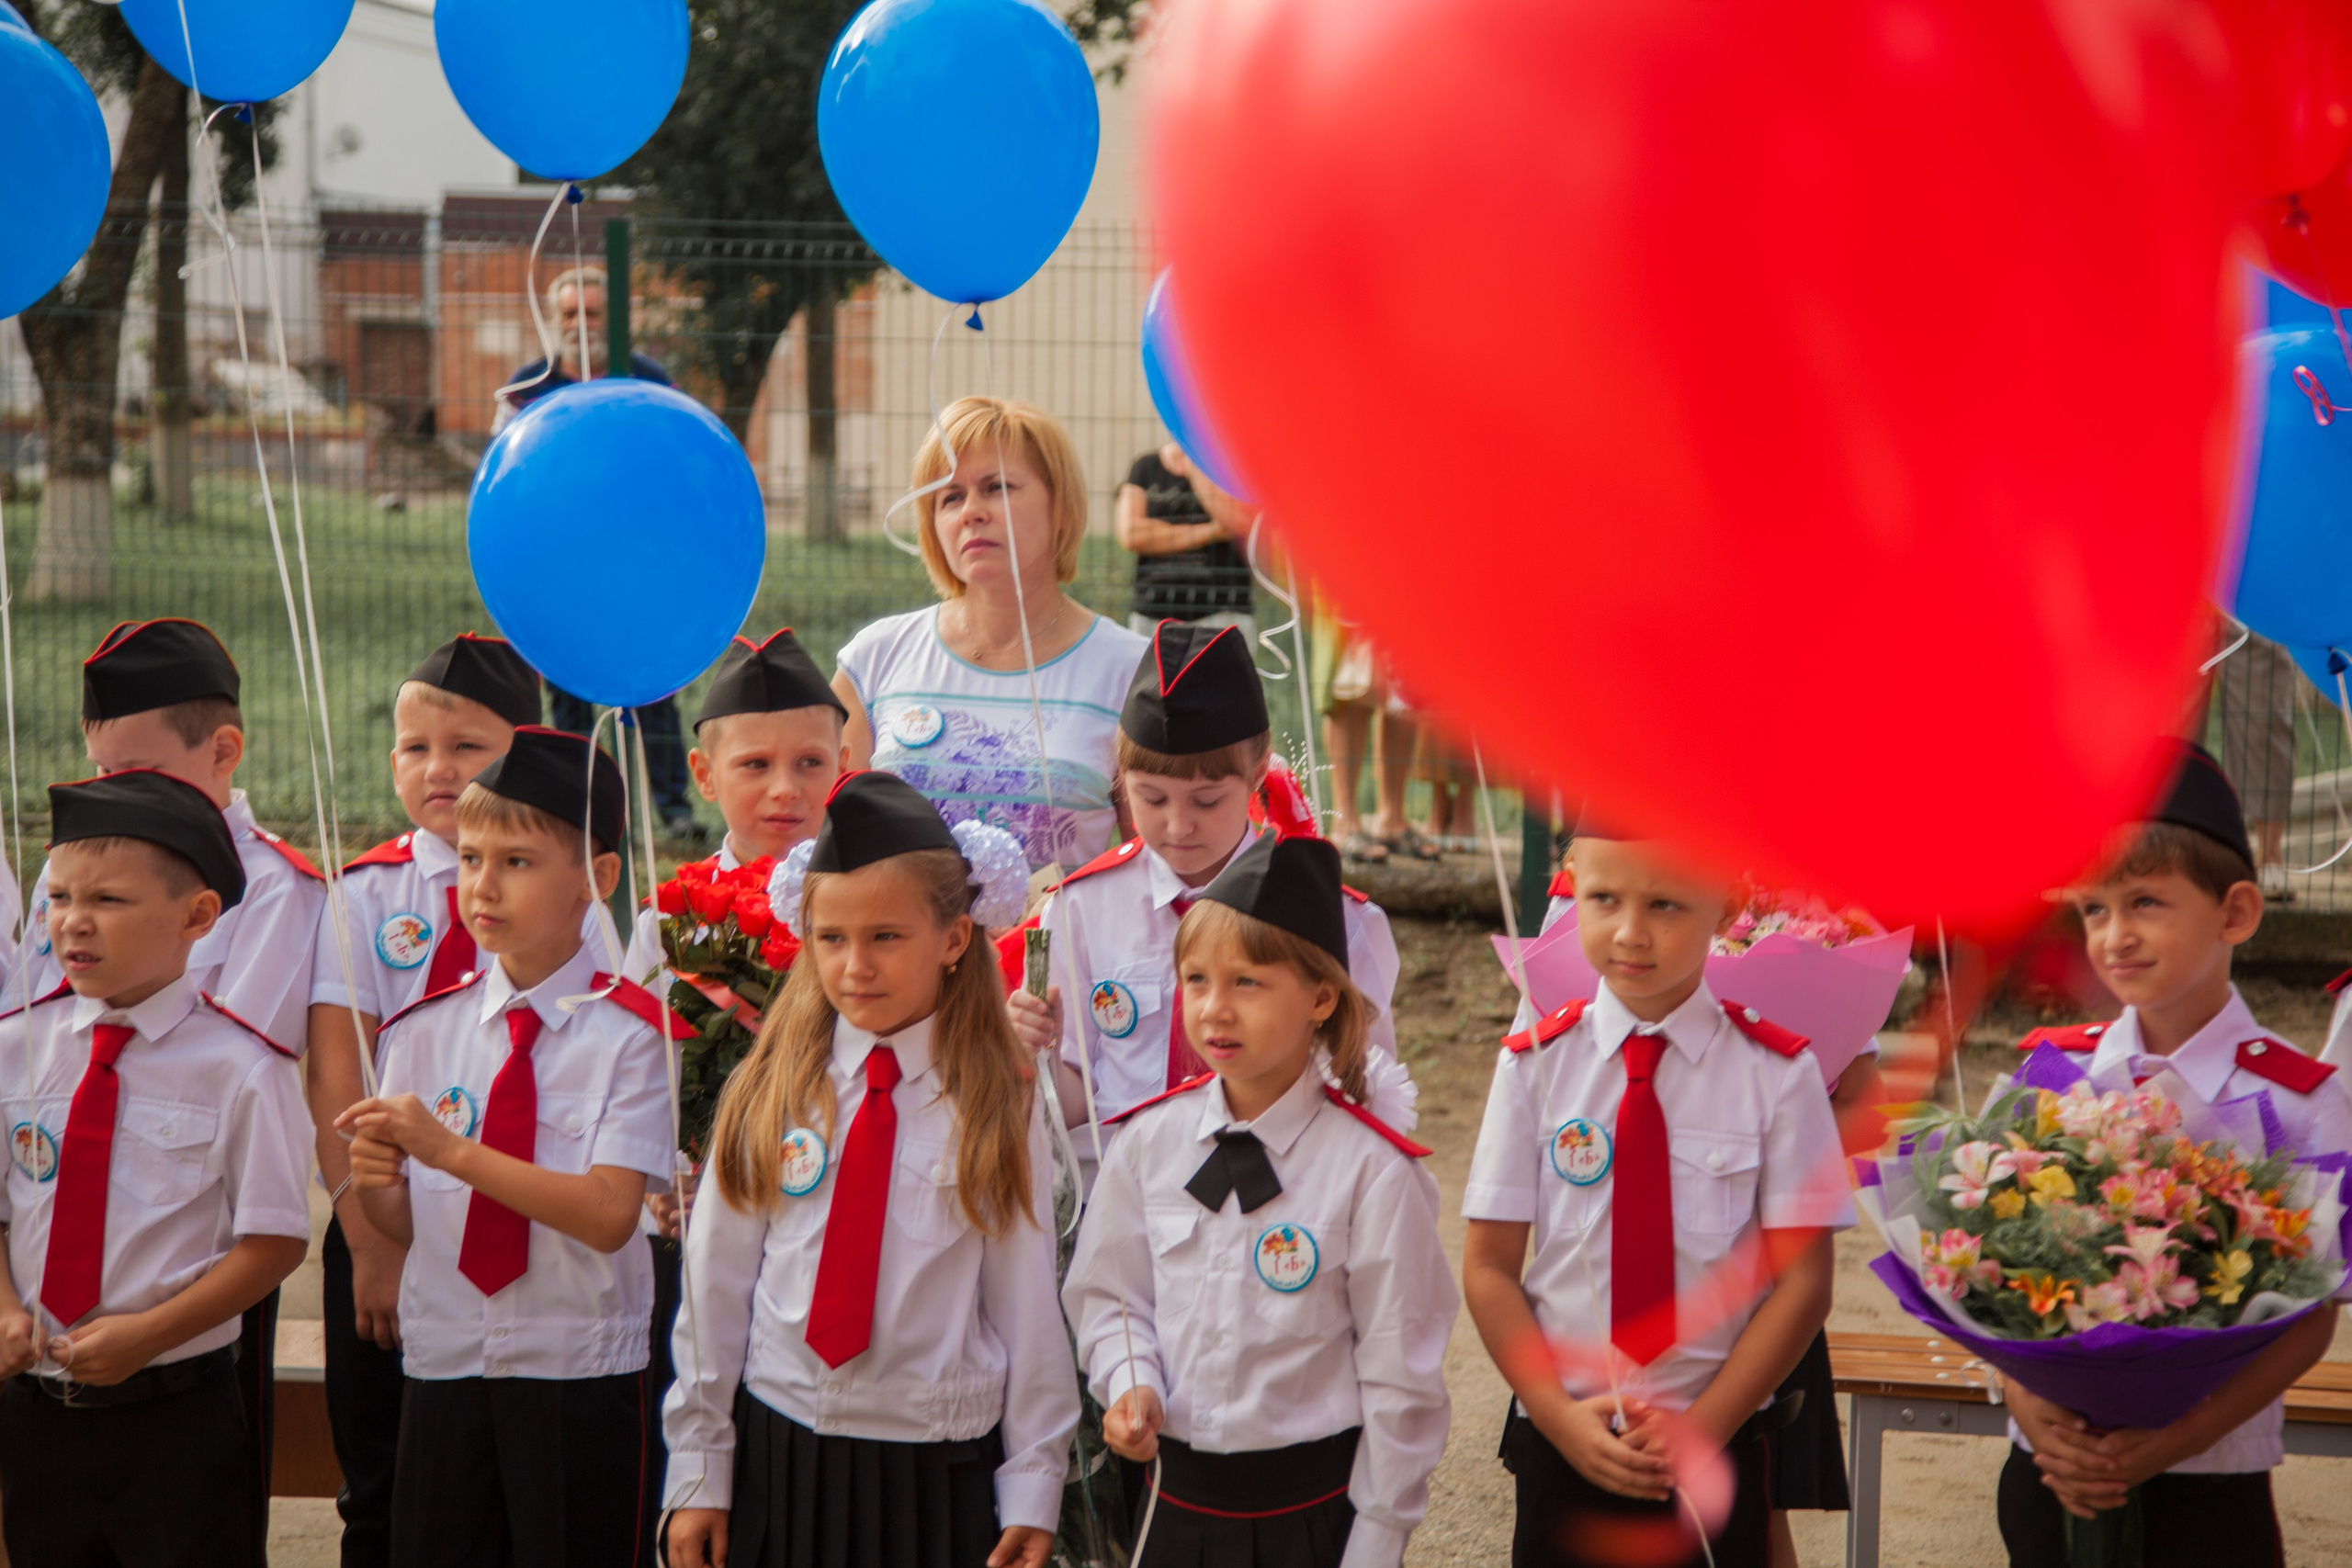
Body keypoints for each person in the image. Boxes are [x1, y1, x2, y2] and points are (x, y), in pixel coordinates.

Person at [661, 771, 1077, 1568]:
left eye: (886, 936)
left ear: (953, 939)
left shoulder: (994, 1103)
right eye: (832, 937)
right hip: (779, 1455)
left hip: (934, 1470)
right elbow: (713, 1289)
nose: (855, 965)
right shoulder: (771, 1087)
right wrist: (700, 1469)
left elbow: (1026, 1306)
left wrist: (1034, 1478)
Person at [14, 616, 325, 1561]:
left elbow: (237, 1047)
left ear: (223, 749)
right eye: (106, 776)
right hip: (55, 1259)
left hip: (196, 1258)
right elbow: (42, 1013)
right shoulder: (72, 870)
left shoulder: (269, 883)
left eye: (143, 773)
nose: (76, 918)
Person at [1997, 740, 2349, 1568]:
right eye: (2092, 908)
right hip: (2050, 1466)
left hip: (2209, 1478)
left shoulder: (2301, 1098)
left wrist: (2176, 1438)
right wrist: (2021, 1389)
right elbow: (1991, 1277)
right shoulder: (2051, 1072)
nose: (2115, 936)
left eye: (2146, 901)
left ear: (2235, 913)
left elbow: (2312, 1317)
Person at [1461, 824, 1852, 1568]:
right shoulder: (1534, 1066)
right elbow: (1488, 1268)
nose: (1631, 932)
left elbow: (1805, 1281)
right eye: (1604, 898)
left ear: (1729, 900)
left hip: (1718, 1440)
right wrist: (1557, 1418)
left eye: (1667, 904)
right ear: (1572, 883)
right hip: (1563, 1439)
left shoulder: (1777, 1072)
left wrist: (1703, 1427)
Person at [1063, 831, 1455, 1566]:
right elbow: (1109, 1294)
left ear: (1320, 996)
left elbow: (1403, 1369)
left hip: (1311, 1519)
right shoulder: (1149, 1142)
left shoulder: (1370, 1169)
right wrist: (1129, 1380)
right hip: (1171, 1507)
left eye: (1248, 982)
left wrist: (1377, 1536)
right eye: (1198, 979)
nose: (1215, 1009)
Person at [305, 632, 612, 1568]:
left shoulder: (571, 885)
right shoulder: (363, 893)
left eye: (466, 747)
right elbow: (334, 1071)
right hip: (384, 1216)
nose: (436, 769)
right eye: (412, 747)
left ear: (520, 747)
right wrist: (369, 1241)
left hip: (532, 1219)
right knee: (388, 1486)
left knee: (520, 1498)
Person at [337, 728, 679, 1568]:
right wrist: (376, 1179)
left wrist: (446, 1149)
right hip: (448, 1362)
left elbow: (605, 1214)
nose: (483, 885)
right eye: (470, 857)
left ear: (598, 879)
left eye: (518, 862)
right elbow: (413, 1221)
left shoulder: (633, 1033)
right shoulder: (422, 1029)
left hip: (580, 1376)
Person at [1005, 619, 1415, 1145]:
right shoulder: (1080, 909)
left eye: (1206, 800)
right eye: (1150, 799)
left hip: (1276, 1210)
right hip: (1125, 1201)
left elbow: (1368, 1089)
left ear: (1256, 772)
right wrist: (1035, 1050)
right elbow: (1076, 1099)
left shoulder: (1335, 918)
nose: (1178, 826)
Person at [614, 627, 849, 1537]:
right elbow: (635, 1071)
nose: (785, 788)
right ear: (704, 777)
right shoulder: (667, 920)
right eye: (755, 764)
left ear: (844, 763)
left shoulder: (870, 909)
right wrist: (654, 1181)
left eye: (810, 761)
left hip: (832, 1225)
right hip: (695, 1224)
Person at [832, 396, 1150, 876]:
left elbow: (1153, 864)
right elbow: (826, 849)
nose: (971, 512)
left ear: (1060, 505)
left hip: (1061, 952)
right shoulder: (875, 659)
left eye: (997, 487)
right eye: (951, 497)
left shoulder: (1131, 670)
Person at [492, 264, 695, 837]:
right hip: (558, 572)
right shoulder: (524, 389)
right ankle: (577, 809)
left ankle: (674, 811)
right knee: (569, 691)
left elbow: (674, 466)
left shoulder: (652, 380)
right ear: (555, 321)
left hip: (638, 567)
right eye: (570, 314)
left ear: (615, 320)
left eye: (594, 313)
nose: (581, 323)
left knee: (654, 684)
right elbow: (503, 481)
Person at [1114, 443, 1256, 645]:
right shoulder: (1145, 467)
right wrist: (1213, 531)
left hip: (1224, 610)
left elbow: (1237, 522)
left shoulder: (1231, 463)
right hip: (1153, 613)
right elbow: (1132, 535)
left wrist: (1196, 467)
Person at [2212, 631, 2302, 901]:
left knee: (2263, 718)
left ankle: (2270, 856)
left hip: (2249, 607)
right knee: (2171, 721)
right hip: (2174, 596)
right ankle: (2169, 849)